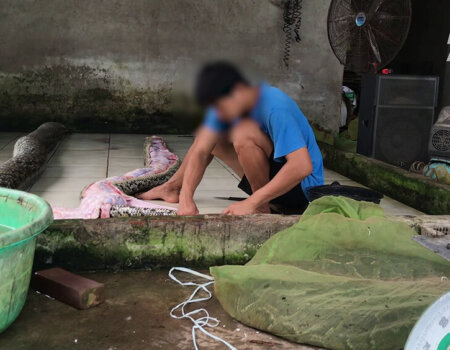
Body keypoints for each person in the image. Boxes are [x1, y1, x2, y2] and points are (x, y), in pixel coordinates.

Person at [138, 62, 324, 215]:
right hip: (273, 185)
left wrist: (252, 202)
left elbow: (302, 166)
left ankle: (260, 207)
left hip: (303, 191)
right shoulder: (224, 104)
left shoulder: (276, 107)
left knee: (243, 134)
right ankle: (172, 188)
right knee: (211, 138)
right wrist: (186, 200)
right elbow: (201, 150)